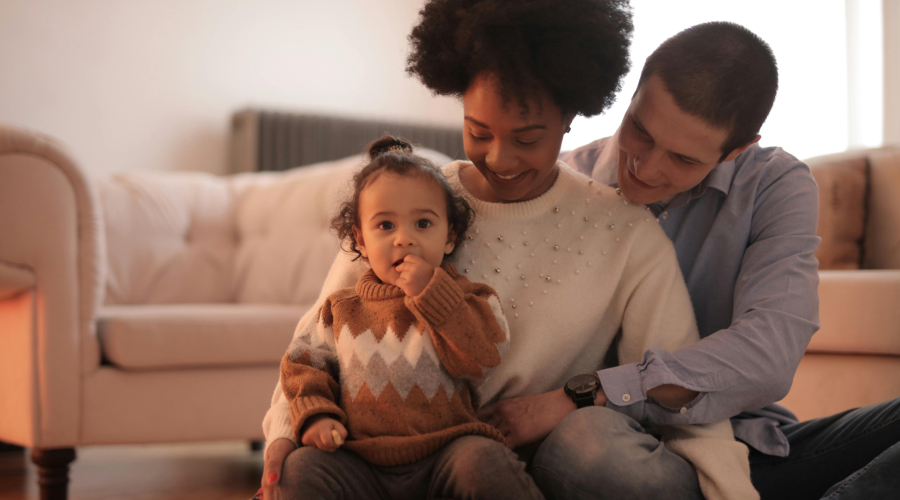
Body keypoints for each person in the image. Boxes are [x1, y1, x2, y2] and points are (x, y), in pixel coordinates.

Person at [261, 2, 759, 499]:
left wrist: (732, 490)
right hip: (376, 456)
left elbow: (679, 396)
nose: (499, 157)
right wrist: (285, 432)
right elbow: (321, 333)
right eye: (478, 132)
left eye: (527, 138)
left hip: (501, 468)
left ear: (569, 117)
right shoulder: (414, 203)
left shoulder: (627, 234)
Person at [542, 21, 900, 500]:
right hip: (609, 452)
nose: (645, 169)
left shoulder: (773, 183)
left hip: (745, 449)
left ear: (737, 150)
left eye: (684, 160)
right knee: (584, 445)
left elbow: (769, 354)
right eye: (640, 131)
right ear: (632, 95)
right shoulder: (556, 184)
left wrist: (596, 391)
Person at [267, 135, 543, 500]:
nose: (404, 239)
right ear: (360, 241)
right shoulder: (340, 308)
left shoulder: (469, 298)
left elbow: (483, 357)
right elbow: (304, 365)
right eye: (385, 226)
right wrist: (316, 415)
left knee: (485, 462)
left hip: (446, 453)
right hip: (359, 461)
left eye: (423, 224)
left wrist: (432, 292)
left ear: (450, 236)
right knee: (300, 470)